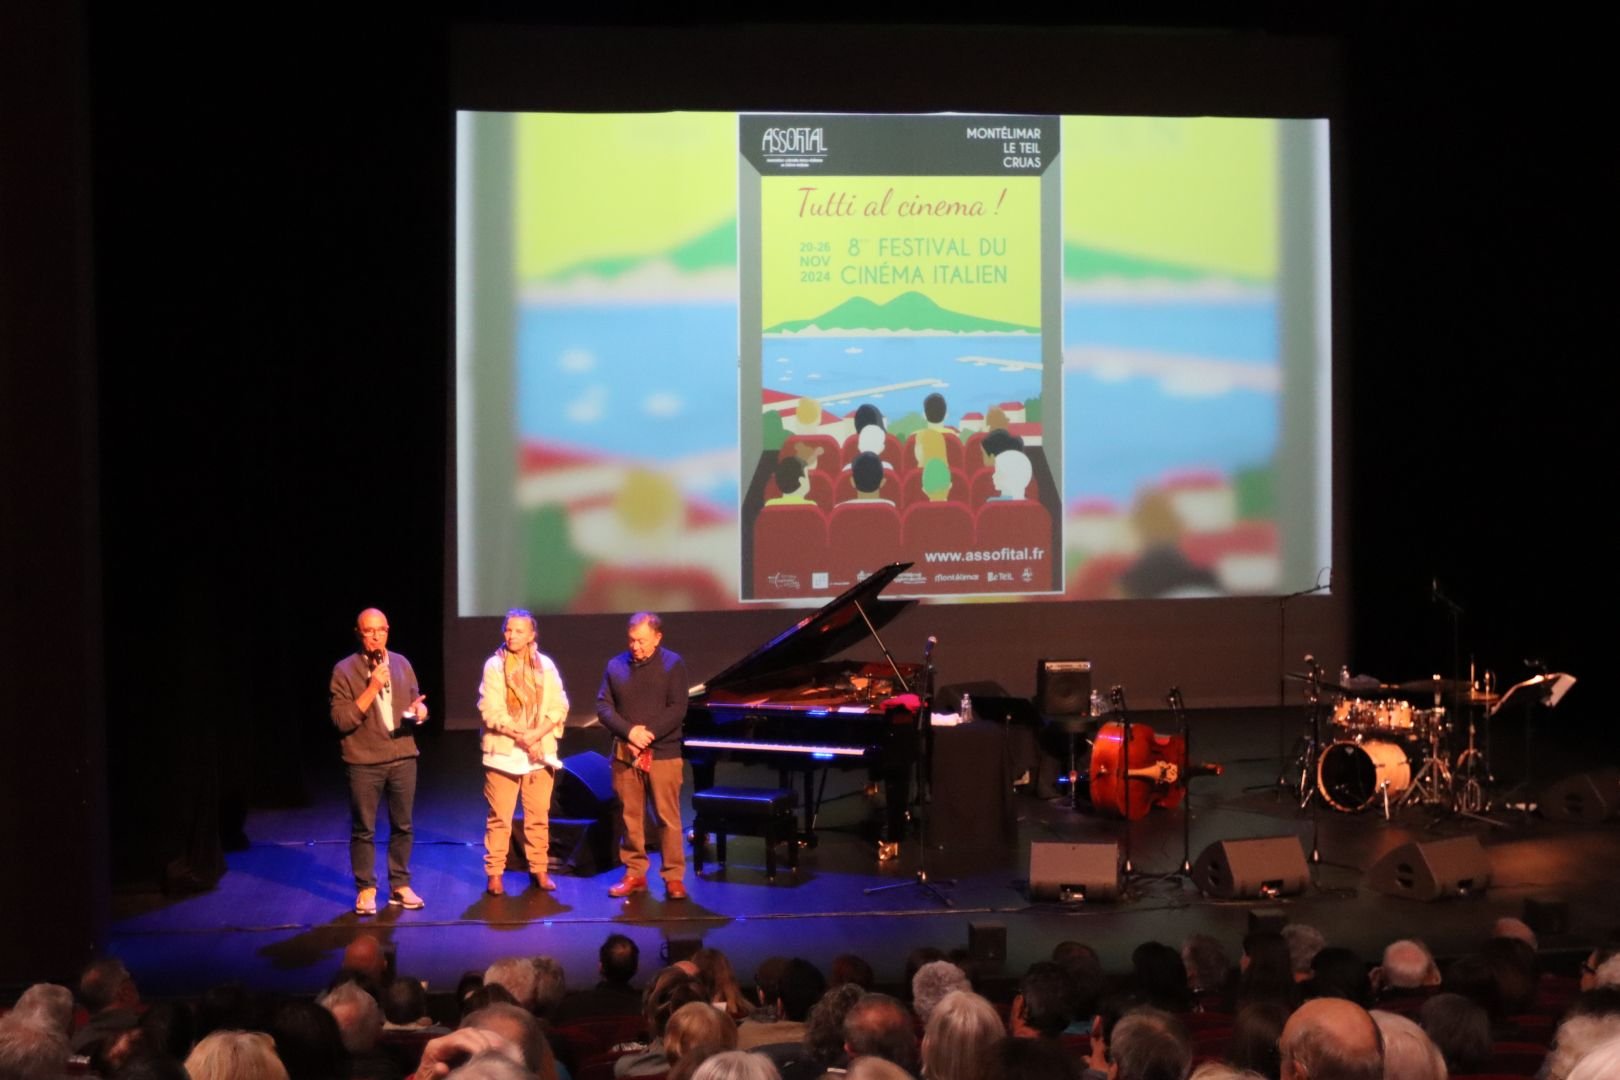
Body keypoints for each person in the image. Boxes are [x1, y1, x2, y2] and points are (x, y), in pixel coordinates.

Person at [330, 607, 427, 915]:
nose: (375, 636)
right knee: (364, 829)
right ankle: (366, 889)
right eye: (369, 631)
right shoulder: (344, 670)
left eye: (381, 630)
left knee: (403, 826)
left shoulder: (401, 663)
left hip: (402, 756)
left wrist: (419, 713)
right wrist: (372, 686)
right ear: (359, 634)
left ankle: (400, 884)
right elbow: (342, 720)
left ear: (388, 631)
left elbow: (413, 702)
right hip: (364, 762)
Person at [597, 612, 690, 900]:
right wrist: (630, 733)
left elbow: (677, 708)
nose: (635, 646)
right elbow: (603, 707)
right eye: (632, 640)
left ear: (657, 638)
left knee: (667, 818)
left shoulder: (673, 664)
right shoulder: (615, 665)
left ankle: (673, 876)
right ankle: (635, 872)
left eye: (642, 641)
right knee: (630, 817)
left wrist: (646, 734)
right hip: (626, 755)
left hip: (663, 754)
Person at [478, 609, 569, 895]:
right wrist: (524, 738)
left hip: (539, 753)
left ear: (532, 635)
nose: (512, 635)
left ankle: (539, 868)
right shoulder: (494, 665)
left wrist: (536, 735)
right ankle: (495, 872)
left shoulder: (546, 665)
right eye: (508, 630)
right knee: (500, 817)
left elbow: (559, 706)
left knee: (538, 815)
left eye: (519, 631)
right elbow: (492, 712)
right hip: (504, 754)